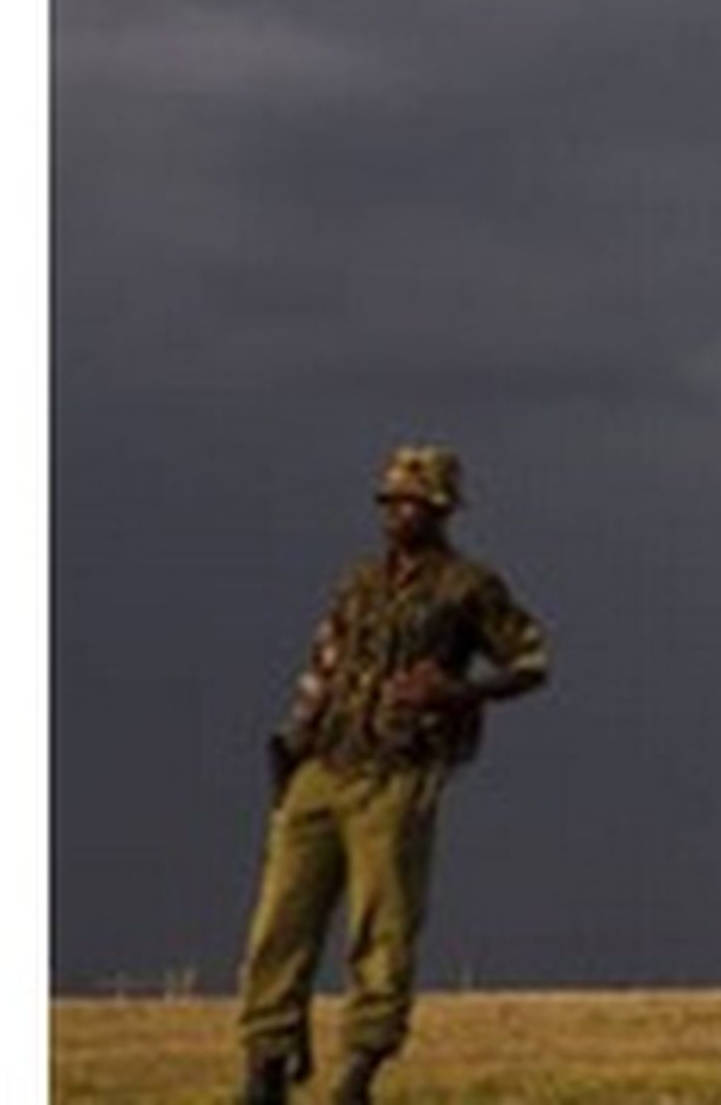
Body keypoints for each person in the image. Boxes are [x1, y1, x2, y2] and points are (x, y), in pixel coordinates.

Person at [229, 446, 551, 1105]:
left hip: (397, 773)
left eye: (413, 501)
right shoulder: (359, 582)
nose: (398, 512)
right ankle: (266, 1063)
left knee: (383, 926)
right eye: (391, 501)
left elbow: (531, 662)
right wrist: (293, 741)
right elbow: (323, 663)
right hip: (324, 762)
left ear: (441, 509)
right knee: (278, 924)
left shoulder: (469, 587)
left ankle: (359, 1071)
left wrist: (459, 691)